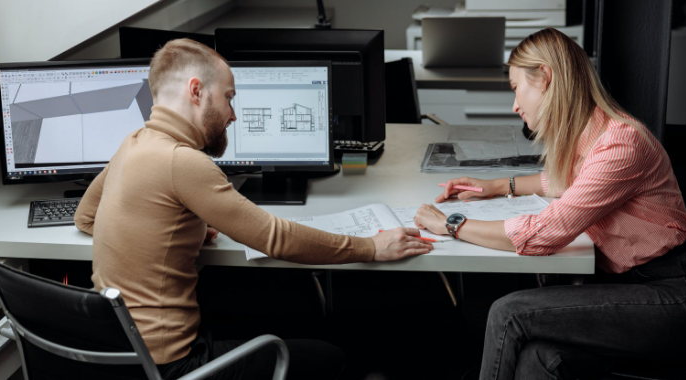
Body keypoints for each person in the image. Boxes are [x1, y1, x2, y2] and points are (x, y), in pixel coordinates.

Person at [74, 38, 433, 380]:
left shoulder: (134, 143)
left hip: (119, 354)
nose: (232, 114)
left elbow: (85, 217)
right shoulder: (180, 162)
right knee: (332, 355)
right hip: (173, 366)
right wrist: (371, 247)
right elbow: (276, 238)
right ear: (196, 91)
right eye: (229, 97)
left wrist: (173, 231)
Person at [413, 28, 686, 380]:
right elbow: (563, 182)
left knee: (508, 312)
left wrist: (451, 225)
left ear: (544, 77)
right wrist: (497, 185)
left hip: (677, 300)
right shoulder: (593, 135)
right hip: (629, 290)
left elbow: (545, 234)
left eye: (516, 88)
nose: (514, 105)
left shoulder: (622, 143)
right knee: (538, 359)